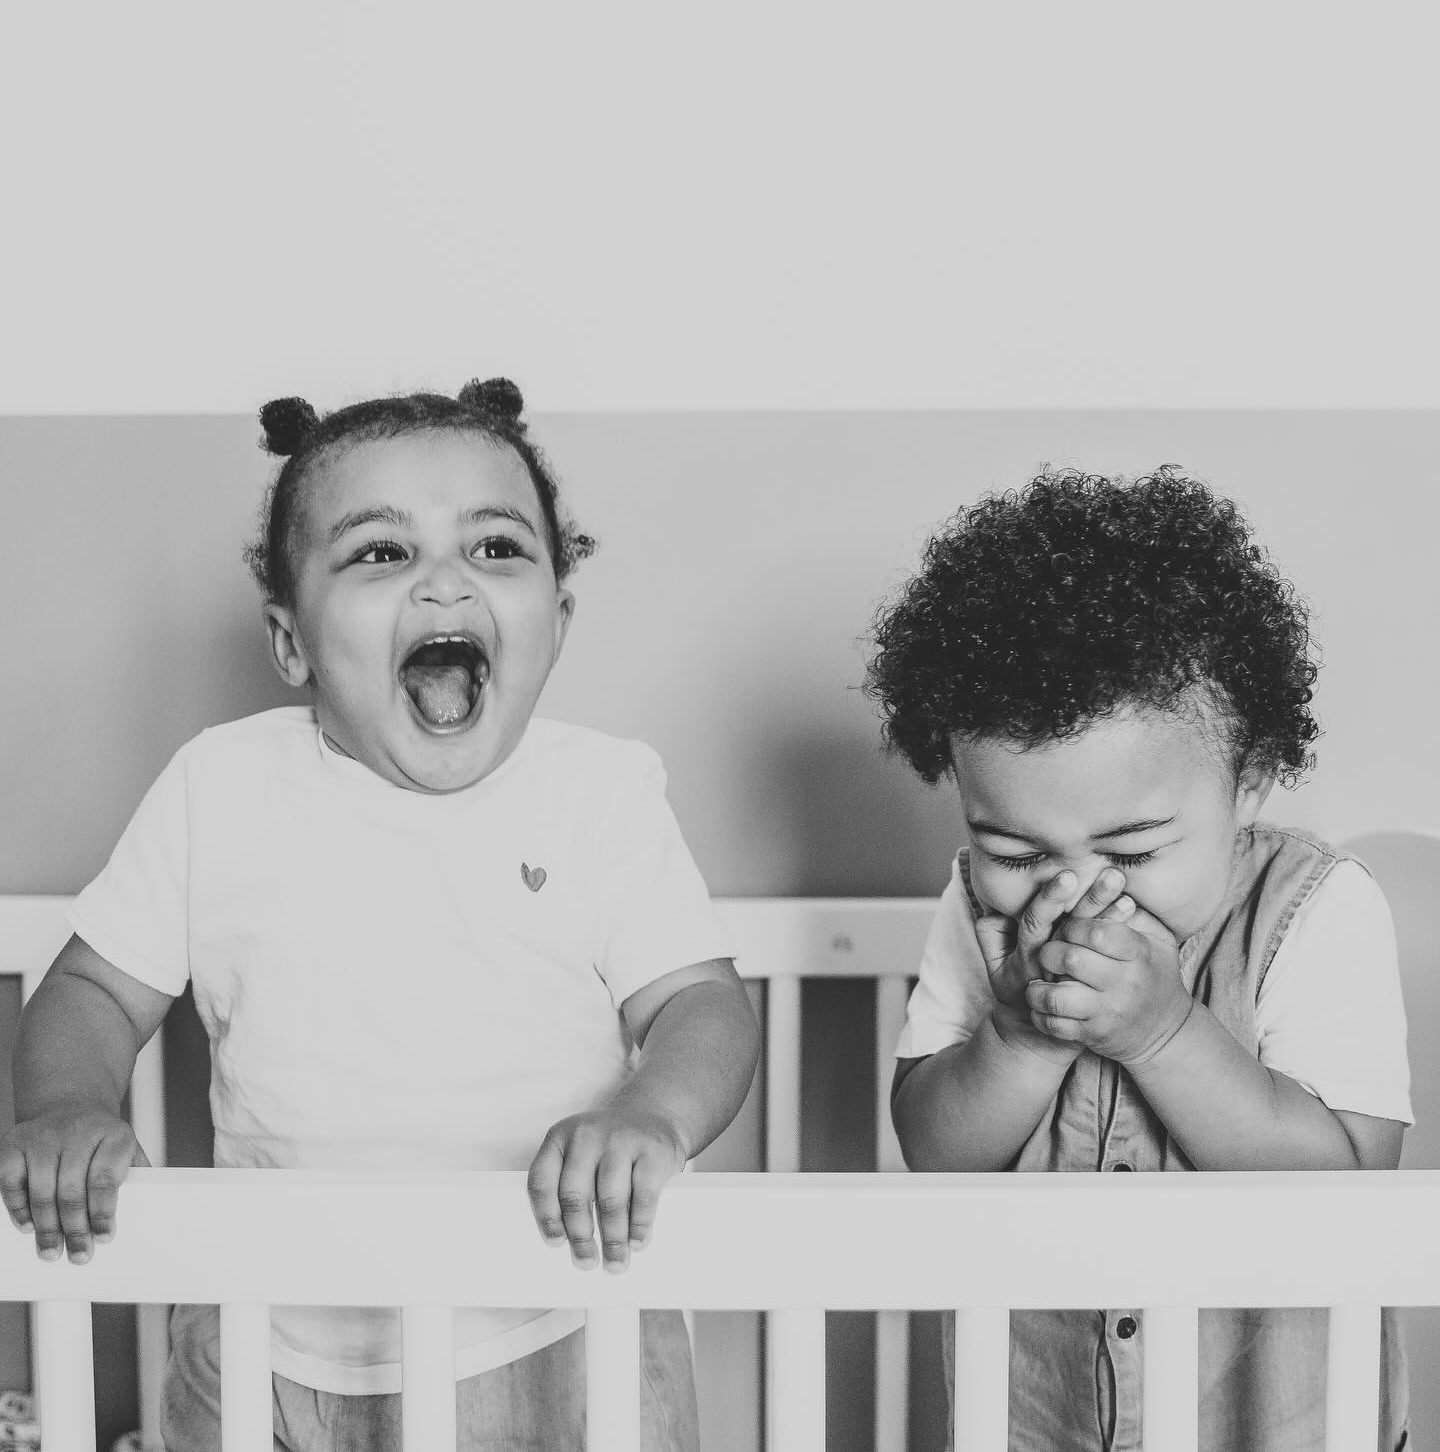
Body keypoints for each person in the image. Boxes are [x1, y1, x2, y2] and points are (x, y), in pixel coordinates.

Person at [0, 378, 760, 1452]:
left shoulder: (598, 795)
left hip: (551, 1321)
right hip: (265, 1327)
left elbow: (703, 1005)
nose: (446, 580)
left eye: (497, 548)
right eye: (379, 553)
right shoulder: (221, 788)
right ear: (292, 642)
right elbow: (85, 988)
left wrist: (653, 1117)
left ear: (559, 619)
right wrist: (68, 1106)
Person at [868, 466, 1410, 1452]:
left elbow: (1349, 1187)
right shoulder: (975, 916)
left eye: (1128, 851)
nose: (1075, 892)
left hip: (1273, 1422)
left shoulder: (1321, 912)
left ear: (1252, 782)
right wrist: (1021, 1035)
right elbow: (937, 1148)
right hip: (1037, 1418)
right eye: (1019, 853)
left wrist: (1164, 1032)